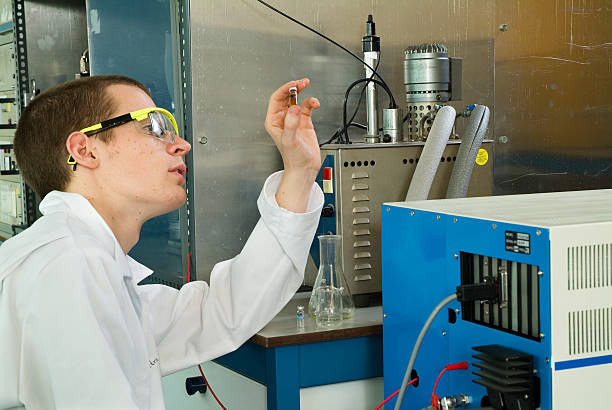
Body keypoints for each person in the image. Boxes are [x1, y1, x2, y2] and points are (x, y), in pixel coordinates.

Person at [0, 75, 323, 409]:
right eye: (153, 127)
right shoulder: (67, 265)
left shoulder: (86, 262)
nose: (181, 144)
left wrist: (300, 171)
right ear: (85, 150)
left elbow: (220, 315)